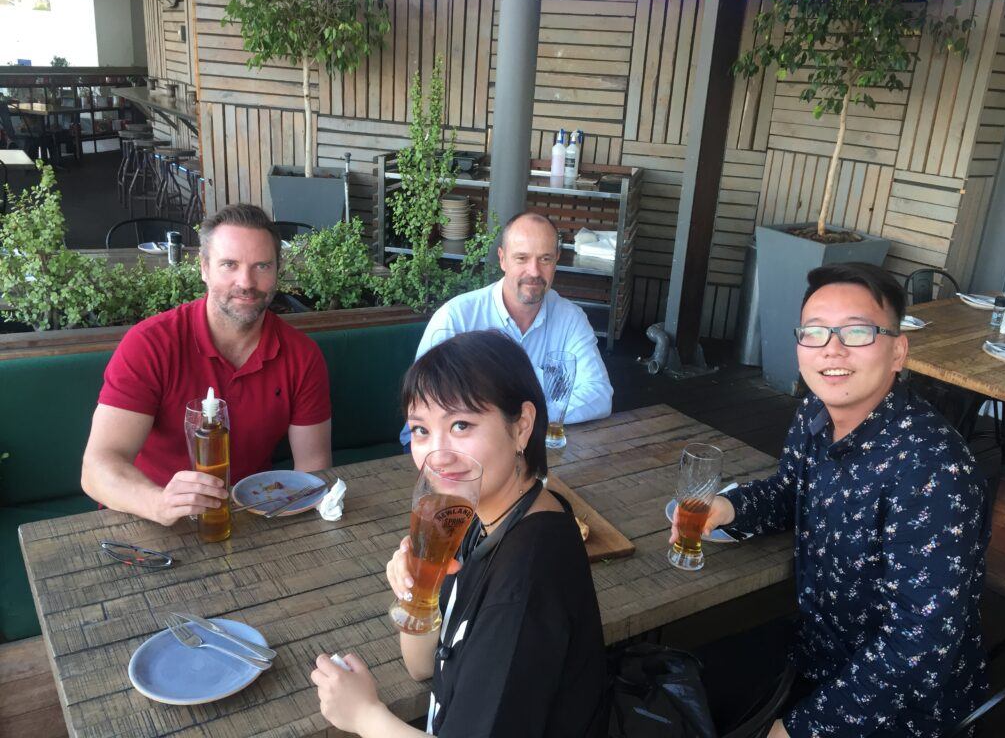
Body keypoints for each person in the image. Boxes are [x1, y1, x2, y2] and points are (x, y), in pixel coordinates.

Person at [672, 263, 989, 737]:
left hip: (903, 710)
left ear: (898, 351)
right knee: (670, 686)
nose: (832, 350)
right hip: (817, 651)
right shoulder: (814, 413)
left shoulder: (932, 469)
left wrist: (801, 730)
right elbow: (788, 491)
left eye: (857, 332)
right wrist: (730, 509)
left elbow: (918, 646)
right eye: (815, 332)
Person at [312, 331, 606, 737]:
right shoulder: (476, 517)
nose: (438, 454)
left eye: (462, 424)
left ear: (521, 426)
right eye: (420, 430)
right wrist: (417, 595)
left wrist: (365, 716)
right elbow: (423, 665)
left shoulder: (526, 579)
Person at [81, 204, 332, 526]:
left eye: (262, 266)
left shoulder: (302, 355)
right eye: (229, 264)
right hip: (144, 517)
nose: (246, 281)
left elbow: (313, 468)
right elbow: (98, 467)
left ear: (277, 271)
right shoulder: (151, 344)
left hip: (249, 516)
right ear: (204, 268)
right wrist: (158, 503)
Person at [405, 212, 612, 445]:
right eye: (522, 258)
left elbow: (599, 395)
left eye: (544, 259)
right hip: (442, 442)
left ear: (556, 260)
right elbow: (427, 403)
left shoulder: (571, 318)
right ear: (502, 259)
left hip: (528, 441)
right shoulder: (457, 318)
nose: (534, 272)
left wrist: (524, 421)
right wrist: (526, 416)